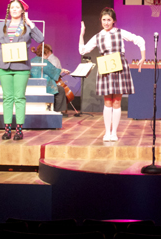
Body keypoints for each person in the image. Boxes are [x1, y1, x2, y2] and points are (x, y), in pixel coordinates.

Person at [79, 8, 145, 142]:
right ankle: (107, 132)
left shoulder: (120, 33)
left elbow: (139, 40)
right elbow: (83, 50)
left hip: (119, 66)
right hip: (105, 66)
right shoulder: (98, 36)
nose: (106, 22)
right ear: (101, 20)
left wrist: (142, 57)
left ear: (113, 20)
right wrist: (82, 33)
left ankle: (114, 132)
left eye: (109, 20)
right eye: (104, 20)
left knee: (117, 101)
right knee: (107, 101)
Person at [0, 0, 44, 141]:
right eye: (11, 7)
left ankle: (19, 130)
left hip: (21, 66)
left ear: (23, 10)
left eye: (17, 7)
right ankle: (7, 130)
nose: (14, 10)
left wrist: (30, 23)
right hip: (4, 66)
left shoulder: (27, 26)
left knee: (19, 97)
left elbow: (40, 39)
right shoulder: (1, 25)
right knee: (7, 98)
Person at [33, 44, 71, 115]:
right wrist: (62, 70)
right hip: (44, 86)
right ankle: (56, 111)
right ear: (45, 53)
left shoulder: (32, 60)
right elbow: (54, 71)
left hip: (33, 86)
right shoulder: (45, 62)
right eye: (47, 54)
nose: (47, 56)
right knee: (60, 90)